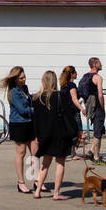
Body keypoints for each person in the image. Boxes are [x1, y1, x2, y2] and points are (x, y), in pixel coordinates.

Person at [32, 70, 72, 200]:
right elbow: (68, 115)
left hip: (45, 135)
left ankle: (37, 191)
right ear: (54, 81)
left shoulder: (37, 98)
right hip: (60, 134)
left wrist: (37, 135)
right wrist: (77, 131)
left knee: (45, 164)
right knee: (60, 163)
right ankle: (56, 193)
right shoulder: (59, 96)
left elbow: (35, 119)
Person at [0, 66, 38, 193]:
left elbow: (30, 101)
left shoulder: (24, 88)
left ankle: (37, 180)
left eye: (24, 77)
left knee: (35, 152)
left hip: (30, 123)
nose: (24, 80)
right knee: (21, 153)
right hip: (18, 124)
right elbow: (22, 110)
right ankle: (21, 182)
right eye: (21, 78)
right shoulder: (14, 92)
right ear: (15, 79)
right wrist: (36, 111)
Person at [77, 57, 106, 165]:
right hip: (97, 107)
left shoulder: (85, 77)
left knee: (97, 129)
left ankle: (91, 151)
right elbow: (100, 94)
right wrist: (103, 108)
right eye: (99, 62)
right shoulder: (97, 77)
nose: (101, 64)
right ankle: (96, 157)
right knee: (98, 132)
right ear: (95, 64)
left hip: (90, 107)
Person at [59, 66, 86, 159]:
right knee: (78, 132)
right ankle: (73, 153)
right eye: (75, 72)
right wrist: (82, 108)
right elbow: (74, 99)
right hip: (73, 112)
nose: (77, 74)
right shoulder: (72, 85)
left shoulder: (63, 85)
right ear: (72, 74)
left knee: (68, 132)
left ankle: (70, 152)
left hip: (65, 112)